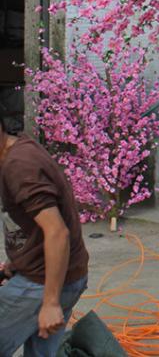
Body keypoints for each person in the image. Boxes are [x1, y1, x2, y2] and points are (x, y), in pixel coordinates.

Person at [0, 116, 89, 357]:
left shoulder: (19, 166)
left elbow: (57, 232)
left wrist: (50, 303)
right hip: (62, 274)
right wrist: (18, 260)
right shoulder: (17, 148)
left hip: (46, 282)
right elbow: (36, 224)